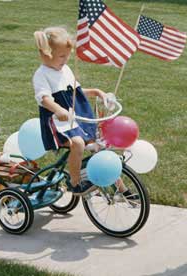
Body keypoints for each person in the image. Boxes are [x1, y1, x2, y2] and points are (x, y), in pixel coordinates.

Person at [33, 26, 132, 196]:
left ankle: (122, 189)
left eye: (67, 56)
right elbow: (44, 98)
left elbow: (75, 92)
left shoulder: (65, 70)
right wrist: (58, 110)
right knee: (78, 143)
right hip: (58, 123)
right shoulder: (42, 74)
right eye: (61, 56)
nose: (65, 60)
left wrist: (96, 92)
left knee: (100, 147)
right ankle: (75, 182)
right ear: (46, 55)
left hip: (77, 118)